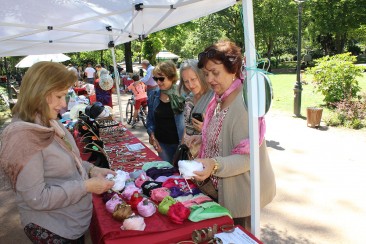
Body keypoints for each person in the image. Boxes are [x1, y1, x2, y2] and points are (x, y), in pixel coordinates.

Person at [0, 61, 115, 243]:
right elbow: (37, 197)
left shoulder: (47, 121)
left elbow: (70, 161)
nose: (63, 104)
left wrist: (92, 169)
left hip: (68, 221)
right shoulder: (25, 137)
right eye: (60, 96)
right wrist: (86, 186)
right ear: (41, 94)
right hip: (53, 227)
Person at [187, 40, 276, 231]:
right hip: (221, 190)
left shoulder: (244, 104)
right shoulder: (219, 97)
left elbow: (247, 158)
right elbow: (224, 137)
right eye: (206, 73)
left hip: (242, 195)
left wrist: (214, 164)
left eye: (215, 72)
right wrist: (203, 140)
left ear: (233, 69)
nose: (209, 79)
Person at [146, 61, 185, 163]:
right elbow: (150, 119)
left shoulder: (182, 96)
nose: (158, 82)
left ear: (171, 77)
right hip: (162, 144)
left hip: (181, 145)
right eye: (155, 79)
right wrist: (152, 135)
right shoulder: (153, 95)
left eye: (161, 78)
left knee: (182, 176)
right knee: (166, 173)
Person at [179, 59, 214, 151]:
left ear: (201, 75)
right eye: (186, 81)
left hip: (206, 155)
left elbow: (222, 132)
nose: (190, 85)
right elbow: (187, 128)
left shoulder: (214, 98)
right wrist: (181, 147)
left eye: (193, 79)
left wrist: (205, 128)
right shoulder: (189, 98)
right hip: (188, 152)